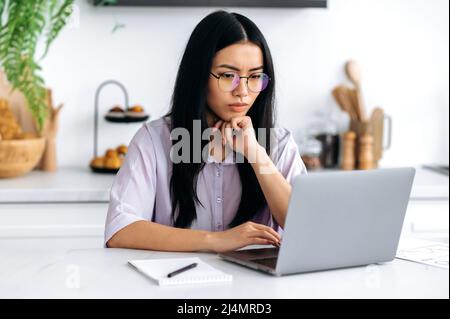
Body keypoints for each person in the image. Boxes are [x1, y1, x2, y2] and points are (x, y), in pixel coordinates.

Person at [105, 10, 307, 253]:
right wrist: (215, 240)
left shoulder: (280, 143)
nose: (242, 91)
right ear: (199, 75)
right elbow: (120, 229)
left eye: (254, 77)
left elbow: (306, 229)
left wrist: (256, 154)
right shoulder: (154, 140)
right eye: (228, 75)